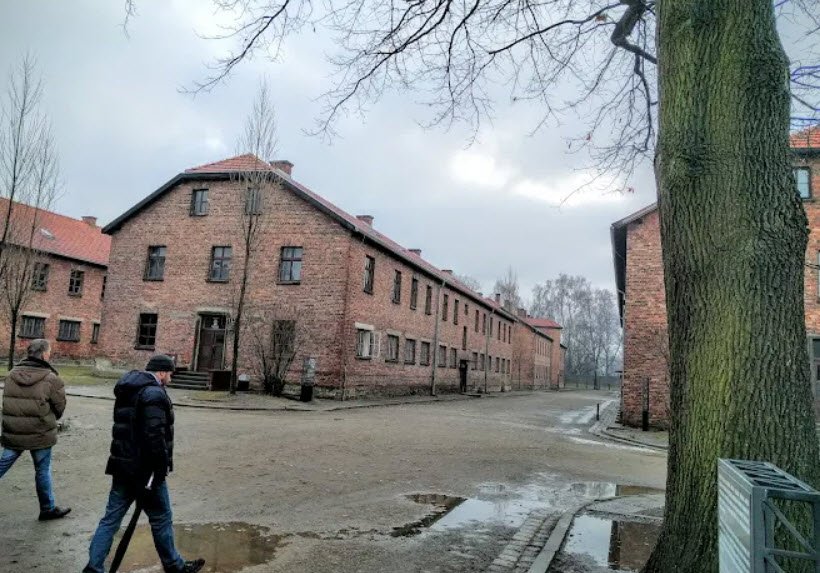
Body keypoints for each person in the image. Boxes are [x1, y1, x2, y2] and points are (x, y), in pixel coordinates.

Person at [83, 354, 204, 573]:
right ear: (161, 372)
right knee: (161, 517)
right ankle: (174, 566)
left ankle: (93, 567)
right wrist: (160, 468)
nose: (171, 377)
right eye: (170, 372)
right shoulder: (154, 393)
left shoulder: (129, 388)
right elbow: (154, 436)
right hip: (145, 471)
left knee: (110, 519)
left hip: (122, 466)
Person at [0, 338, 71, 520]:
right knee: (42, 469)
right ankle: (47, 509)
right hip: (40, 434)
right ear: (44, 354)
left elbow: (7, 404)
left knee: (2, 464)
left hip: (14, 432)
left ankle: (48, 509)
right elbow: (59, 408)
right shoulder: (51, 379)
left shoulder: (11, 375)